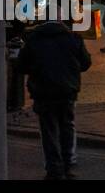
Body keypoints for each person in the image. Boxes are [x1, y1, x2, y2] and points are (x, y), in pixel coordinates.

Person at [17, 19, 92, 179]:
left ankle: (54, 170)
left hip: (43, 92)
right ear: (60, 20)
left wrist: (37, 69)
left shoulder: (33, 39)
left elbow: (21, 66)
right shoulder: (73, 38)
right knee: (67, 127)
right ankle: (68, 165)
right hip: (67, 91)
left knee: (49, 130)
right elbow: (86, 63)